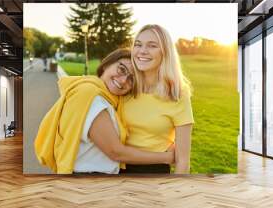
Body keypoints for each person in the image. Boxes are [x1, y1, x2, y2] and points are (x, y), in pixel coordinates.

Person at [35, 49, 174, 174]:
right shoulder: (92, 97)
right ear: (107, 64)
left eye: (132, 79)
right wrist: (167, 157)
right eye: (122, 69)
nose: (123, 80)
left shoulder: (107, 98)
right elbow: (116, 152)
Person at [121, 24, 194, 174]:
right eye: (138, 44)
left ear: (165, 52)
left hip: (153, 172)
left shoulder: (178, 94)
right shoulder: (124, 86)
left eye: (152, 46)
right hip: (113, 168)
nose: (142, 51)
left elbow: (182, 161)